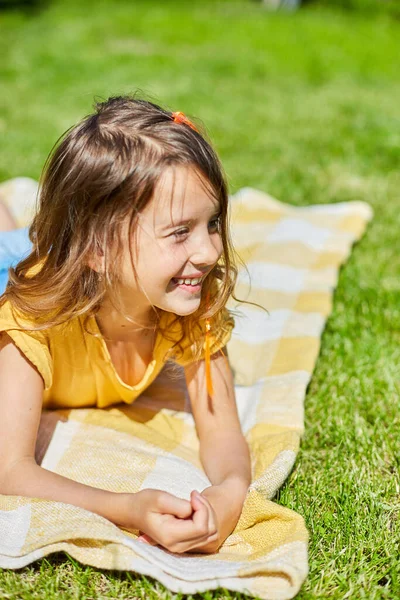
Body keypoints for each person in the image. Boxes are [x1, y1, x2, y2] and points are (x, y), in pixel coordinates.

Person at [0, 95, 251, 555]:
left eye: (211, 223)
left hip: (65, 259)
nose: (211, 252)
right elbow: (9, 470)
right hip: (20, 277)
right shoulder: (28, 320)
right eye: (180, 232)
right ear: (98, 250)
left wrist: (229, 494)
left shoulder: (188, 300)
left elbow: (222, 432)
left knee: (23, 238)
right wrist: (127, 507)